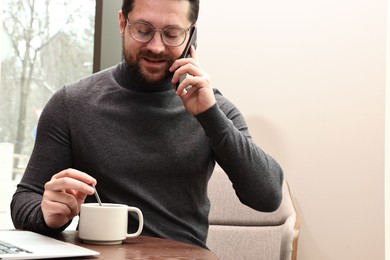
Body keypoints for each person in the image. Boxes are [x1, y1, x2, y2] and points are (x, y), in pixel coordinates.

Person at [11, 0, 284, 249]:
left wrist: (209, 114)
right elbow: (25, 200)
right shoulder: (71, 104)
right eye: (143, 30)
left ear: (191, 36)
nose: (156, 46)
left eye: (172, 33)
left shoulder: (215, 110)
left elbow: (268, 197)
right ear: (122, 24)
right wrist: (47, 214)